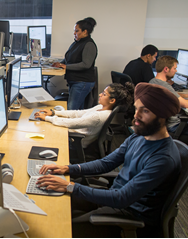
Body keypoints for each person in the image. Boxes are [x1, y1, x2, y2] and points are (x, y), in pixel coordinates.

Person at [36, 83, 181, 237]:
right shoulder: (138, 136)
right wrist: (67, 168)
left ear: (163, 117)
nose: (136, 116)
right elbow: (106, 164)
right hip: (112, 198)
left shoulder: (163, 158)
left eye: (145, 111)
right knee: (50, 202)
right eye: (137, 108)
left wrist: (71, 186)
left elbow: (122, 198)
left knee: (55, 227)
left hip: (128, 215)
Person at [34, 82, 134, 149]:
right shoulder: (101, 107)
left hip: (75, 140)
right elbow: (78, 113)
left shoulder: (99, 116)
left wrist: (47, 118)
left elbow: (73, 123)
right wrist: (54, 113)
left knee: (40, 136)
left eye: (104, 94)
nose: (100, 94)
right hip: (71, 133)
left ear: (112, 101)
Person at [52, 17, 98, 110]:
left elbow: (86, 64)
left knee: (71, 110)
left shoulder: (89, 44)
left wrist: (65, 66)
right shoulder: (77, 43)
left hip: (82, 82)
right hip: (75, 81)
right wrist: (60, 64)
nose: (74, 33)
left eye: (77, 31)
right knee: (77, 110)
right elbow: (69, 58)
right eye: (74, 31)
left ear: (85, 32)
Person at [149, 55, 188, 135]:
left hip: (159, 124)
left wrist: (184, 95)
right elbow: (185, 104)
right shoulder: (165, 86)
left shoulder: (152, 81)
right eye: (174, 68)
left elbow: (171, 94)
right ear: (166, 69)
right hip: (175, 126)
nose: (176, 71)